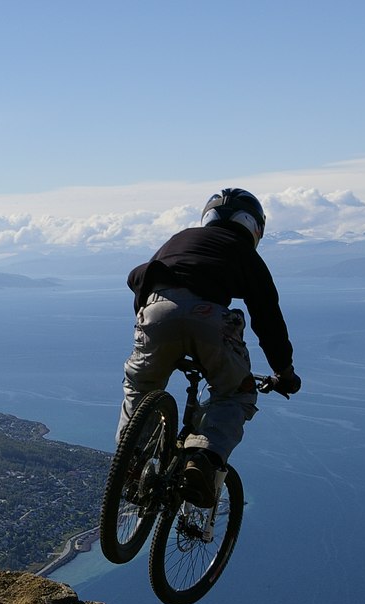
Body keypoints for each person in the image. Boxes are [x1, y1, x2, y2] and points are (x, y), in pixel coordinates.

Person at [116, 187, 301, 508]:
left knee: (140, 386)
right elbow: (268, 318)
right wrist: (284, 373)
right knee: (235, 393)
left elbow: (140, 276)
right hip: (210, 319)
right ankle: (204, 458)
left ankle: (131, 467)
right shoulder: (244, 253)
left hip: (155, 312)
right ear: (254, 227)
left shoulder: (179, 238)